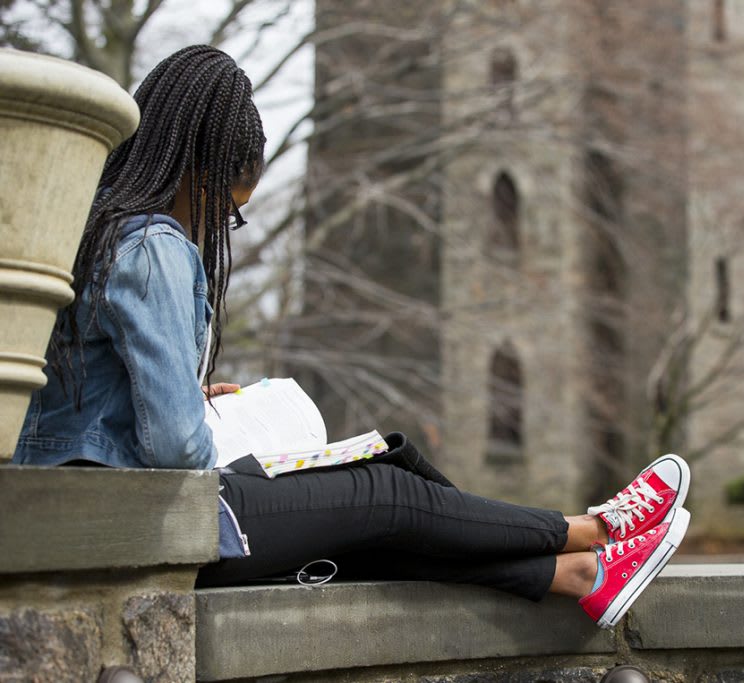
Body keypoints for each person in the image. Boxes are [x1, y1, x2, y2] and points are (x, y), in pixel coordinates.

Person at [13, 45, 692, 629]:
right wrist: (202, 415)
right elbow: (175, 446)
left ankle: (578, 575)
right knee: (385, 493)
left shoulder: (96, 231)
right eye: (224, 204)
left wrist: (189, 393)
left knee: (381, 504)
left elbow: (98, 403)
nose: (220, 224)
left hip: (117, 515)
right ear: (197, 168)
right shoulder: (153, 243)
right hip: (154, 524)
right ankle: (597, 530)